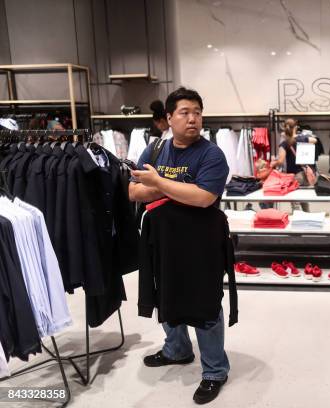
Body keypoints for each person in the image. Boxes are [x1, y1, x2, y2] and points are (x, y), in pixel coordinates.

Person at [129, 87, 231, 405]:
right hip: (163, 241)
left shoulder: (211, 154)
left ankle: (214, 371)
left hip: (201, 243)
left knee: (205, 305)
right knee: (166, 296)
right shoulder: (156, 150)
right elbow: (133, 192)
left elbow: (203, 198)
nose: (193, 118)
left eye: (197, 112)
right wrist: (178, 188)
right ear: (169, 118)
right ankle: (177, 350)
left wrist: (158, 184)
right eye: (185, 112)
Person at [270, 118, 318, 211]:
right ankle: (306, 220)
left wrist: (273, 162)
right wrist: (300, 136)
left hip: (294, 176)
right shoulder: (302, 138)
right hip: (305, 174)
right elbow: (314, 140)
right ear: (295, 127)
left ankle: (297, 222)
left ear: (285, 129)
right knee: (304, 201)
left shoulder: (284, 144)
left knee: (295, 202)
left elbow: (280, 160)